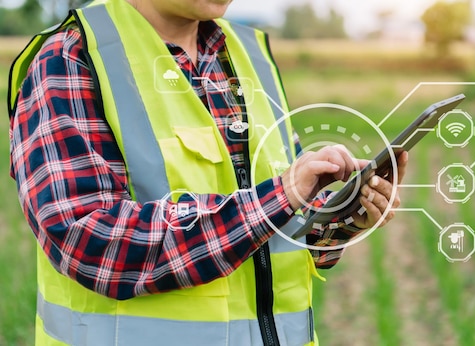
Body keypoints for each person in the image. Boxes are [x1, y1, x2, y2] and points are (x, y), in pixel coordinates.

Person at [7, 0, 408, 344]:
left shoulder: (248, 55)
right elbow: (89, 239)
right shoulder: (72, 58)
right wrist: (280, 197)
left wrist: (339, 217)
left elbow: (281, 224)